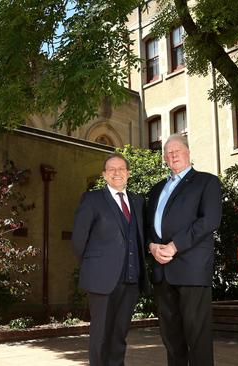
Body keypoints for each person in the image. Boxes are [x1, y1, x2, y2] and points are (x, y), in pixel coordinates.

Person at [147, 134, 222, 366]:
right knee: (171, 337)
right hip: (162, 271)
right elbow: (147, 226)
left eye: (177, 150)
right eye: (168, 153)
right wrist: (151, 246)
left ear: (188, 153)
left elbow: (209, 221)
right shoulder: (156, 189)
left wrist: (174, 245)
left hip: (191, 270)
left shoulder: (206, 182)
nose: (173, 155)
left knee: (197, 337)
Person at [72, 153, 148, 366]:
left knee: (119, 335)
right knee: (101, 335)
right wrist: (93, 269)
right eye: (111, 169)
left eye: (121, 168)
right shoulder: (92, 199)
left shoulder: (138, 201)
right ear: (104, 175)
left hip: (131, 280)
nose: (117, 173)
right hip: (101, 281)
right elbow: (79, 240)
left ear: (128, 174)